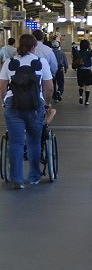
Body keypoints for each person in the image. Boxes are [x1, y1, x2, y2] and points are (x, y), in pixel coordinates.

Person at [0, 34, 54, 189]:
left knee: (16, 142)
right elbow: (49, 87)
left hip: (13, 104)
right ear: (34, 47)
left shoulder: (9, 63)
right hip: (35, 105)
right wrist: (47, 103)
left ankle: (17, 178)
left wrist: (2, 102)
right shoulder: (40, 62)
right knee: (34, 141)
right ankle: (34, 176)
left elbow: (2, 86)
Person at [77, 39, 92, 105]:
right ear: (87, 46)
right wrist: (90, 48)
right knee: (87, 86)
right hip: (87, 70)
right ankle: (86, 101)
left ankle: (81, 96)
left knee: (81, 85)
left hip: (80, 70)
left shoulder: (78, 52)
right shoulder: (89, 53)